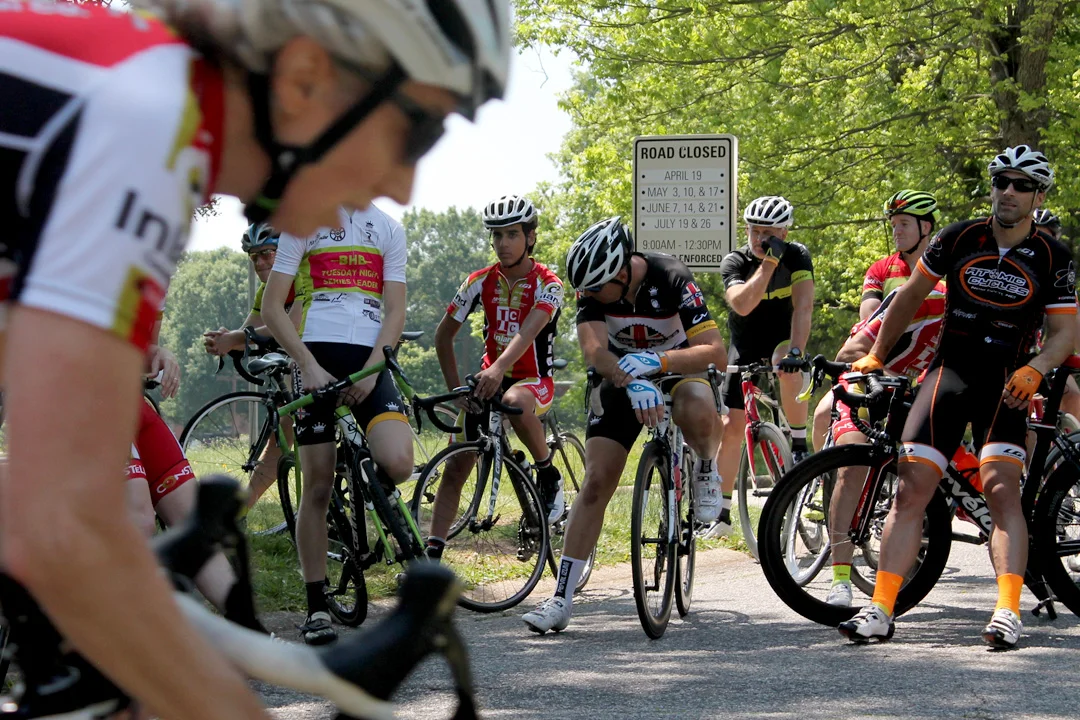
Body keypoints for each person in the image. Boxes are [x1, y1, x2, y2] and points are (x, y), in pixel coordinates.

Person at [0, 2, 509, 717]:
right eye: (414, 131)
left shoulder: (148, 104)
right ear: (303, 76)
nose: (404, 188)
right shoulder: (147, 119)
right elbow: (58, 530)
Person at [839, 146, 1076, 649]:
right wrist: (877, 355)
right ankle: (881, 608)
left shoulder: (1055, 256)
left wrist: (1037, 368)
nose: (1007, 191)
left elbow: (1064, 333)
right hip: (947, 374)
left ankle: (1008, 611)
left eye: (1019, 185)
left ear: (1037, 196)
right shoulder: (959, 236)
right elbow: (905, 297)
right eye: (1001, 182)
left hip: (1008, 385)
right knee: (910, 490)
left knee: (1002, 491)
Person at [521, 217, 726, 634]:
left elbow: (714, 352)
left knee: (695, 402)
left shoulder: (671, 277)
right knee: (596, 480)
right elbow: (595, 351)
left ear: (620, 271)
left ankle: (705, 466)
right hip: (622, 375)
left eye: (597, 289)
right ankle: (561, 598)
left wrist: (660, 362)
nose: (591, 296)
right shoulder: (593, 291)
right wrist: (630, 379)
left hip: (677, 368)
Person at [260, 204, 411, 645]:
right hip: (315, 360)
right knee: (319, 485)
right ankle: (316, 606)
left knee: (399, 461)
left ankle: (368, 493)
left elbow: (395, 312)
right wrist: (305, 364)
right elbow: (272, 306)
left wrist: (369, 372)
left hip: (368, 360)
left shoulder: (388, 228)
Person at [427, 195, 565, 558]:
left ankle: (548, 473)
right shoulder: (478, 281)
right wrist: (455, 388)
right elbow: (443, 335)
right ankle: (432, 556)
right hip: (491, 378)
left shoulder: (549, 283)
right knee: (456, 465)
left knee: (514, 400)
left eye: (512, 234)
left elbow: (529, 331)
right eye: (496, 236)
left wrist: (498, 367)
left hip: (534, 381)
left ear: (530, 237)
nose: (503, 243)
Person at [708, 196, 814, 537]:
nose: (759, 238)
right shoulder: (735, 261)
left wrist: (797, 351)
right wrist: (768, 263)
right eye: (754, 230)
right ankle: (722, 515)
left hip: (783, 336)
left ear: (784, 231)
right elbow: (741, 304)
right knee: (731, 426)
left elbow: (803, 308)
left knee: (786, 365)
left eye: (768, 232)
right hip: (746, 341)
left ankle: (798, 444)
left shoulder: (797, 256)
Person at [203, 224, 310, 507]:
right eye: (254, 257)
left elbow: (293, 325)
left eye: (267, 253)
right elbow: (250, 331)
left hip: (324, 358)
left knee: (285, 434)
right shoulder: (266, 291)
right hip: (301, 365)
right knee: (282, 435)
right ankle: (239, 513)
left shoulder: (302, 274)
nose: (260, 262)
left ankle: (237, 513)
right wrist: (224, 341)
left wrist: (237, 338)